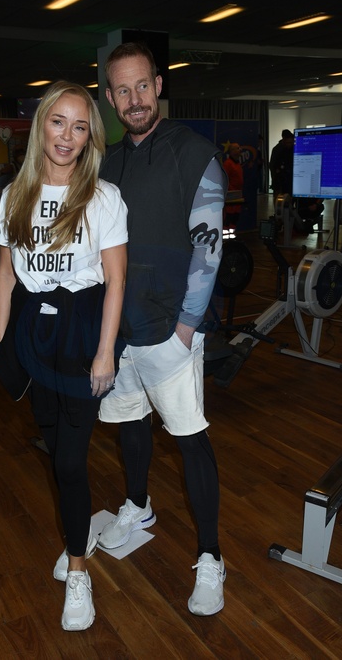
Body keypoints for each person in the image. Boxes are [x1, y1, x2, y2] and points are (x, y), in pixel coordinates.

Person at [97, 42, 227, 617]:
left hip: (172, 330)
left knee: (189, 438)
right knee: (129, 424)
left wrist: (186, 331)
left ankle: (211, 556)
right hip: (119, 330)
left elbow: (209, 251)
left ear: (159, 85)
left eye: (142, 86)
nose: (135, 100)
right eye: (123, 90)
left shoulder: (194, 153)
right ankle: (138, 504)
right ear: (110, 97)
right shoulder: (107, 165)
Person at [0, 80, 128, 631]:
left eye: (80, 126)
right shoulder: (14, 196)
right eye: (58, 122)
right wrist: (3, 343)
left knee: (70, 462)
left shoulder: (103, 197)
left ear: (90, 136)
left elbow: (116, 280)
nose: (67, 136)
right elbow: (7, 275)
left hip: (83, 332)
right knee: (54, 451)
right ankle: (78, 533)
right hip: (34, 333)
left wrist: (105, 353)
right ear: (41, 126)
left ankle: (78, 568)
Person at [222, 142, 244, 231]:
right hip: (230, 197)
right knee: (228, 218)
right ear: (232, 151)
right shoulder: (228, 164)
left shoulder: (237, 163)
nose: (240, 150)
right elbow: (224, 180)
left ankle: (231, 235)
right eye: (238, 148)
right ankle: (225, 235)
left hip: (237, 196)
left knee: (235, 218)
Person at [269, 129, 294, 205]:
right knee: (279, 200)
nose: (290, 144)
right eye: (288, 142)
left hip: (286, 179)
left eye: (291, 142)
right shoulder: (278, 150)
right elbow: (273, 165)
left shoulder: (278, 149)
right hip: (280, 179)